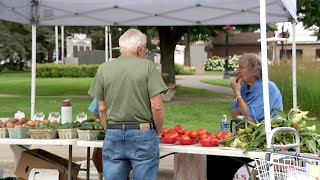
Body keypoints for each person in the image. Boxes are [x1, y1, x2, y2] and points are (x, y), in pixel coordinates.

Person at [88, 28, 167, 180]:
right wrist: (158, 130)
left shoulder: (104, 68)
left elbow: (101, 109)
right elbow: (156, 106)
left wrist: (109, 129)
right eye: (145, 50)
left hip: (113, 133)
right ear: (139, 49)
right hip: (142, 133)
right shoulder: (148, 67)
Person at [230, 53, 283, 122]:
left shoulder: (267, 88)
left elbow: (251, 118)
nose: (237, 71)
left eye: (241, 68)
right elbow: (234, 115)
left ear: (254, 71)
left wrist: (237, 94)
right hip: (246, 130)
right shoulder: (245, 86)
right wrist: (244, 106)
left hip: (267, 131)